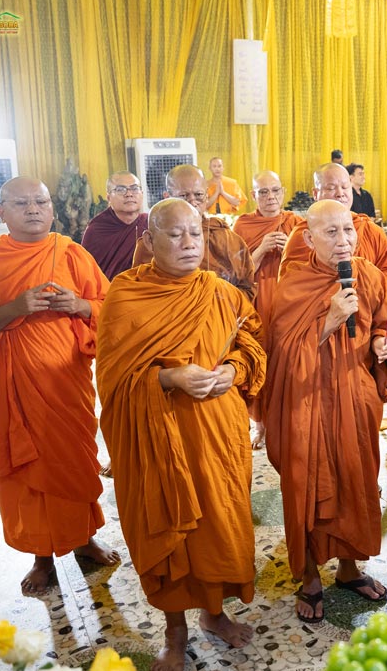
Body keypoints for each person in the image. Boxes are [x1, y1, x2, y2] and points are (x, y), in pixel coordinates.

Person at [97, 198, 266, 671]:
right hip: (156, 437)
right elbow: (111, 382)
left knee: (217, 523)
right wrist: (167, 379)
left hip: (216, 434)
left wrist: (234, 370)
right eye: (175, 235)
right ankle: (175, 634)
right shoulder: (125, 298)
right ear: (149, 241)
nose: (189, 243)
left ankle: (214, 613)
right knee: (167, 529)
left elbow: (250, 341)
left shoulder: (220, 291)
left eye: (195, 233)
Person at [0, 176, 119, 595]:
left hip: (67, 382)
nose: (33, 209)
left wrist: (80, 305)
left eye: (41, 201)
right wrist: (14, 308)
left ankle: (83, 539)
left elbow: (111, 305)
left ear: (52, 208)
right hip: (14, 389)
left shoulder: (71, 253)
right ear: (1, 212)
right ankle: (41, 557)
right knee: (27, 468)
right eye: (21, 203)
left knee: (74, 461)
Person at [262, 199, 387, 623]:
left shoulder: (366, 274)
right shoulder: (292, 283)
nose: (344, 240)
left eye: (349, 230)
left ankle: (348, 568)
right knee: (307, 485)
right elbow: (278, 354)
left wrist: (385, 343)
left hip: (355, 397)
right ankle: (309, 574)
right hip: (306, 402)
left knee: (355, 479)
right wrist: (327, 322)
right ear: (307, 238)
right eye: (331, 232)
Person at [233, 170, 299, 449]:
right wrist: (261, 249)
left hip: (289, 303)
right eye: (263, 192)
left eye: (275, 191)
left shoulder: (295, 222)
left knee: (290, 362)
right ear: (253, 196)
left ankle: (290, 422)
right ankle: (259, 426)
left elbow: (310, 265)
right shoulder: (243, 225)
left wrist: (287, 252)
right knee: (259, 361)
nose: (270, 197)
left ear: (283, 192)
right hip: (258, 302)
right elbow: (235, 273)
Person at [133, 165, 257, 301]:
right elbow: (143, 295)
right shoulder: (154, 242)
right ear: (167, 197)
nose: (192, 201)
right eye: (183, 195)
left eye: (198, 195)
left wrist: (220, 306)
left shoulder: (226, 237)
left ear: (207, 195)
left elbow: (247, 287)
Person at [279, 163, 387, 285]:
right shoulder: (303, 235)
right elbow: (290, 283)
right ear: (315, 193)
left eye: (345, 187)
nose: (340, 193)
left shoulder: (369, 229)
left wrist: (365, 291)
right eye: (331, 188)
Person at [81, 171, 149, 280]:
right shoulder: (97, 229)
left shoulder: (150, 223)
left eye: (134, 188)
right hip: (110, 293)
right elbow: (86, 272)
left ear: (142, 193)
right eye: (121, 189)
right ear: (108, 198)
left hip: (147, 290)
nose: (129, 194)